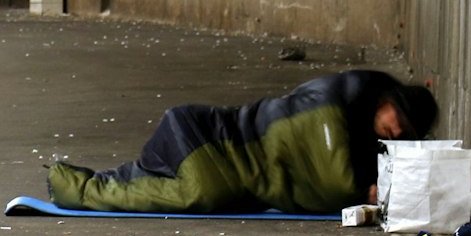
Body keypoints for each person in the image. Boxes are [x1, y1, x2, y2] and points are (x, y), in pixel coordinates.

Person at [45, 70, 438, 215]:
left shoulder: (363, 129)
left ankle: (88, 183)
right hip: (205, 138)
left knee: (196, 188)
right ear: (386, 100)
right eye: (398, 119)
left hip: (215, 143)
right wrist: (358, 191)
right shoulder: (336, 100)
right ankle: (75, 186)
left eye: (408, 132)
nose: (398, 131)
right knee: (202, 189)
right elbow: (326, 178)